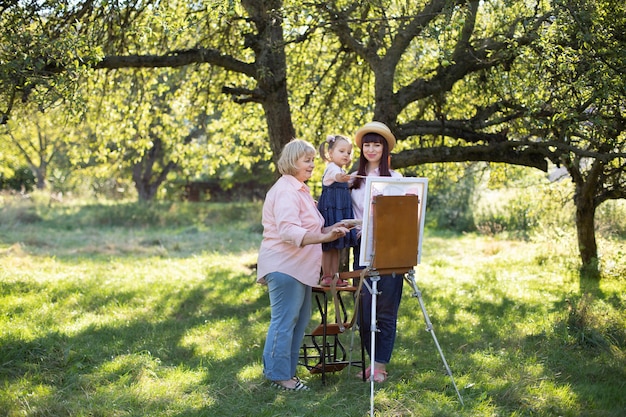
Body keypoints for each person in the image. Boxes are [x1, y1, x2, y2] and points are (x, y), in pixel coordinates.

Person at [256, 138, 351, 391]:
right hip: (284, 266)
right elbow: (288, 232)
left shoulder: (299, 189)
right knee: (285, 321)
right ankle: (278, 377)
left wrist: (335, 228)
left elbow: (313, 228)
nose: (311, 165)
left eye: (312, 160)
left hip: (299, 268)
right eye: (306, 160)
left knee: (298, 321)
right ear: (292, 161)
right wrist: (324, 237)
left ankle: (285, 374)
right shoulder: (286, 190)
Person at [349, 121, 403, 383]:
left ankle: (380, 365)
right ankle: (371, 362)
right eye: (367, 144)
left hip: (389, 248)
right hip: (361, 248)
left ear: (384, 148)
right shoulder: (353, 180)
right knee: (364, 308)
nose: (371, 149)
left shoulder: (395, 179)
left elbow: (402, 215)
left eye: (376, 144)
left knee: (385, 307)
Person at [317, 134, 358, 287]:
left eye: (348, 152)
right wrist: (342, 178)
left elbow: (344, 182)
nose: (346, 155)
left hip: (339, 209)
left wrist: (351, 179)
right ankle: (326, 275)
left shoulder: (340, 170)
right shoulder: (332, 169)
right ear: (330, 153)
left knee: (336, 246)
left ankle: (334, 275)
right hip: (331, 210)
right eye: (342, 151)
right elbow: (336, 177)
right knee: (328, 245)